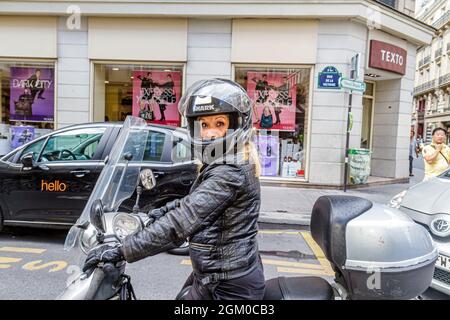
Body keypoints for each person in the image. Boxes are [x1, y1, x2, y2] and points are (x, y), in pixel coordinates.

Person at [82, 78, 266, 300]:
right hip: (216, 274)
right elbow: (189, 204)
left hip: (228, 287)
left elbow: (182, 221)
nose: (210, 133)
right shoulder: (226, 162)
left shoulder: (230, 172)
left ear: (237, 124)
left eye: (220, 124)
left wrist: (121, 251)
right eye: (204, 125)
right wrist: (152, 216)